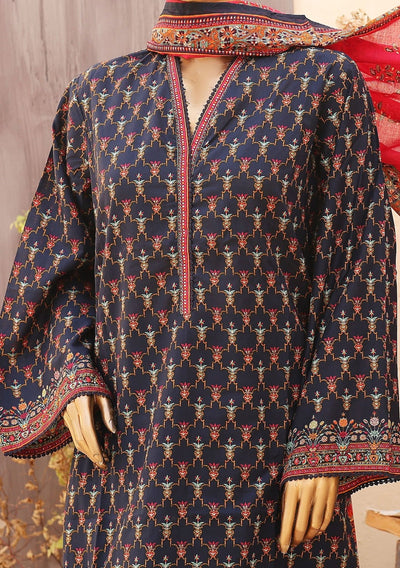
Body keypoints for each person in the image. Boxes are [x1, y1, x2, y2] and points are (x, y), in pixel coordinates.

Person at [0, 1, 400, 566]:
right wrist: (71, 373)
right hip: (130, 463)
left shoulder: (320, 82)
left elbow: (357, 270)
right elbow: (55, 261)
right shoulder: (97, 96)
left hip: (272, 462)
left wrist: (325, 442)